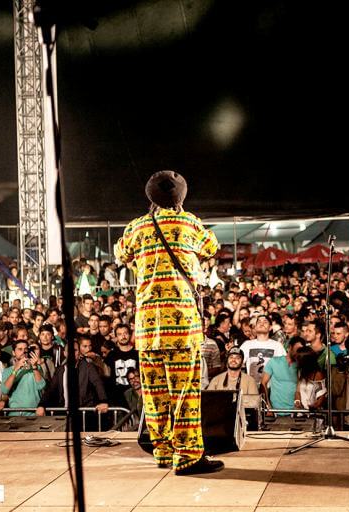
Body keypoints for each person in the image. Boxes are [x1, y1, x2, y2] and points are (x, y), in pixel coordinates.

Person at [114, 170, 222, 475]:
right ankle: (187, 457)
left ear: (151, 198)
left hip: (147, 328)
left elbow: (120, 252)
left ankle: (162, 451)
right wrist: (182, 213)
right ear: (181, 197)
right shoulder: (189, 223)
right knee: (184, 393)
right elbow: (212, 246)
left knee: (154, 392)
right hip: (182, 327)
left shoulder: (137, 226)